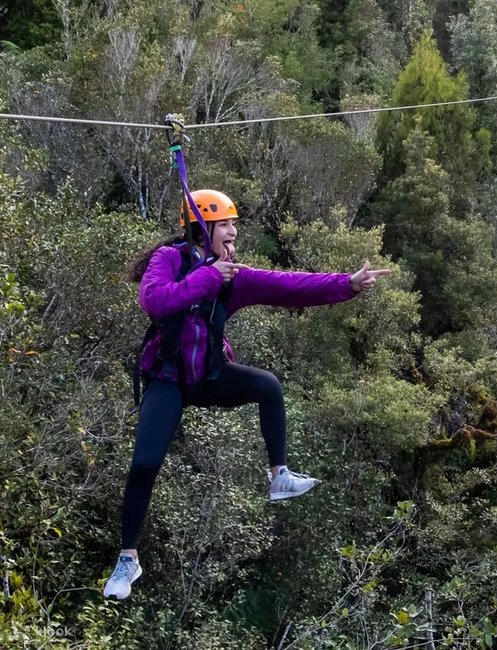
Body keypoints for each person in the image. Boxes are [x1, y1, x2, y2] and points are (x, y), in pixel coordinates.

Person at [103, 189, 391, 599]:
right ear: (201, 229)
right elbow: (154, 301)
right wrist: (207, 276)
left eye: (233, 224)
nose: (233, 232)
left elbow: (288, 286)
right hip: (167, 381)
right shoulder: (170, 259)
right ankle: (128, 560)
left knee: (267, 386)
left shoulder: (233, 276)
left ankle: (279, 477)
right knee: (144, 464)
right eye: (225, 225)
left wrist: (348, 284)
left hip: (208, 376)